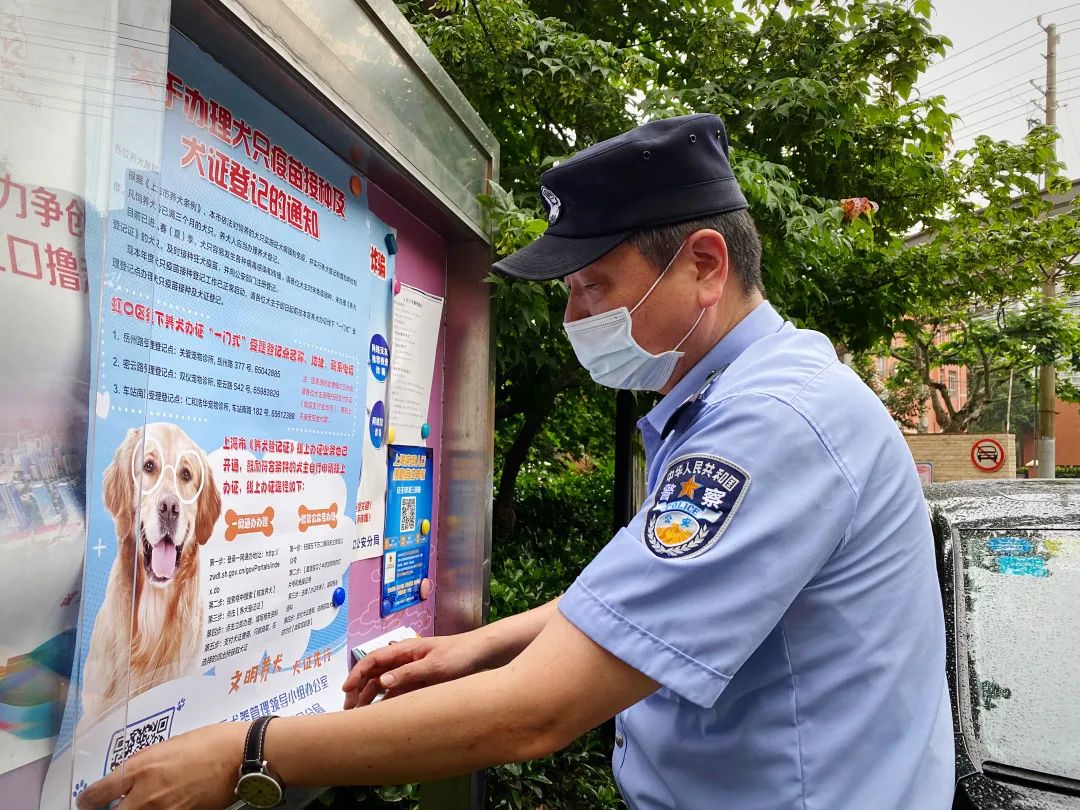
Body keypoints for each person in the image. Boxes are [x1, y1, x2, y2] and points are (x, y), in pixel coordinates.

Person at [79, 113, 953, 810]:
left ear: (705, 265)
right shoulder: (745, 399)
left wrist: (248, 751)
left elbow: (539, 711)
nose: (575, 318)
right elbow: (632, 605)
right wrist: (473, 648)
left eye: (592, 287)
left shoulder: (772, 424)